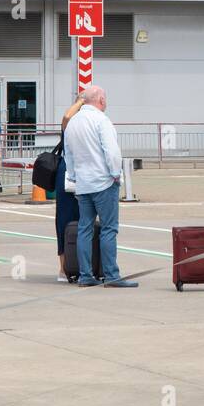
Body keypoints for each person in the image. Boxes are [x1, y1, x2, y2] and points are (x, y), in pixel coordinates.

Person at [63, 85, 136, 288]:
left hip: (84, 184)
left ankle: (85, 274)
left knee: (84, 229)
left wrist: (75, 176)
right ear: (100, 99)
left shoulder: (73, 123)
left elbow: (68, 155)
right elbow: (111, 151)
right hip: (104, 182)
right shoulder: (101, 120)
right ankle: (111, 274)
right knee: (108, 229)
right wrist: (115, 174)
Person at [55, 93, 86, 282]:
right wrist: (81, 101)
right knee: (64, 220)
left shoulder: (92, 124)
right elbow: (66, 117)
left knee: (86, 220)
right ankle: (64, 267)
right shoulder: (70, 124)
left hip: (86, 175)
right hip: (68, 175)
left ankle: (85, 264)